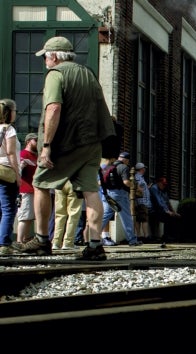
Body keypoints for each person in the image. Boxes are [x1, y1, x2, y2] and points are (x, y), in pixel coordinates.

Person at [14, 36, 116, 260]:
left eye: (45, 57)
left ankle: (41, 240)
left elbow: (53, 109)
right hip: (92, 143)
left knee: (40, 183)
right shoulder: (88, 74)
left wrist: (47, 146)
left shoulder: (56, 75)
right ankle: (95, 245)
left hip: (65, 144)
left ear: (53, 56)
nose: (45, 62)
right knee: (90, 191)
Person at [101, 151, 140, 246]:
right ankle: (132, 240)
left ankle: (91, 235)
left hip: (107, 194)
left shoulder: (108, 167)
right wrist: (135, 185)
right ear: (126, 160)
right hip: (120, 194)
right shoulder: (124, 167)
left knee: (105, 216)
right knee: (126, 217)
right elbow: (126, 182)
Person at [0, 99, 22, 254]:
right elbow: (11, 153)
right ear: (10, 112)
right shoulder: (9, 130)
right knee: (9, 209)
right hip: (6, 171)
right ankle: (4, 244)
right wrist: (17, 172)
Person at [16, 132, 38, 246]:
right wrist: (21, 166)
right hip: (25, 189)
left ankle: (24, 239)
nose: (37, 142)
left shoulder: (36, 156)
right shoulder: (23, 154)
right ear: (28, 141)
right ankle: (19, 240)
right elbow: (18, 171)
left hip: (34, 190)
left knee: (30, 217)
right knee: (24, 215)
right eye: (35, 140)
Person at [51, 179, 83, 250]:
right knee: (73, 214)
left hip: (60, 182)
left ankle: (56, 242)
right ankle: (68, 242)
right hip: (75, 182)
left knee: (59, 214)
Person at [149, 176, 180, 246]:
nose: (164, 186)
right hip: (154, 210)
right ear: (159, 183)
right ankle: (166, 237)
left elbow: (167, 202)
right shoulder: (154, 188)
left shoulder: (163, 190)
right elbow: (158, 202)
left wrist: (174, 212)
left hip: (162, 210)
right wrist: (167, 211)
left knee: (176, 217)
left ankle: (173, 236)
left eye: (165, 184)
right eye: (163, 184)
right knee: (168, 217)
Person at [133, 162, 151, 241]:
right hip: (141, 201)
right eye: (144, 168)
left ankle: (139, 236)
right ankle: (145, 236)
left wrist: (147, 188)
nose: (145, 170)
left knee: (139, 219)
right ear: (141, 169)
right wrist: (142, 189)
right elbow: (138, 187)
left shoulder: (140, 177)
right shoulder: (138, 177)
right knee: (144, 219)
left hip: (141, 201)